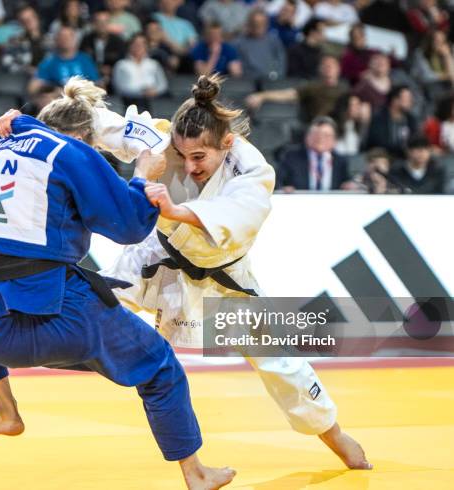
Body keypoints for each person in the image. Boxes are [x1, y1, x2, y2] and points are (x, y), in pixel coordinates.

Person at [0, 77, 236, 490]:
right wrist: (140, 175)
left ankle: (6, 410)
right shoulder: (71, 152)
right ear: (85, 137)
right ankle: (196, 473)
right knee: (159, 367)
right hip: (58, 321)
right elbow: (129, 225)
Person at [93, 75, 371, 470]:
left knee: (279, 362)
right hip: (160, 254)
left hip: (228, 277)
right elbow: (102, 124)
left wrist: (173, 210)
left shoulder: (254, 170)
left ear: (225, 144)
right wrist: (29, 125)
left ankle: (335, 435)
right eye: (182, 155)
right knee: (94, 299)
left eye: (199, 159)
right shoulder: (164, 139)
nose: (189, 167)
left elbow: (234, 217)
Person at [247, 55, 348, 124]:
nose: (329, 67)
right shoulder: (312, 87)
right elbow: (289, 95)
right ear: (320, 69)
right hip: (319, 128)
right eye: (325, 65)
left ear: (338, 68)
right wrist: (262, 95)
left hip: (342, 130)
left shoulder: (345, 89)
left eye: (332, 65)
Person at [277, 116, 352, 190]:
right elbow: (279, 182)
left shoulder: (341, 162)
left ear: (334, 141)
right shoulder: (291, 158)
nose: (320, 138)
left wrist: (350, 186)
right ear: (307, 137)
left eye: (326, 135)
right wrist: (284, 189)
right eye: (316, 134)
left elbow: (348, 183)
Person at [112, 33, 168, 113]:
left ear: (147, 46)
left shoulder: (153, 64)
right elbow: (119, 87)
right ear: (129, 46)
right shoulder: (121, 64)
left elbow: (163, 84)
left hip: (153, 101)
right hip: (129, 102)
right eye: (136, 44)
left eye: (142, 44)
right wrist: (141, 92)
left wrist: (155, 91)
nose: (139, 46)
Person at [33, 26, 99, 88]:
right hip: (59, 97)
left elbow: (97, 82)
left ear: (75, 39)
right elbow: (35, 85)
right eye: (62, 37)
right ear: (56, 40)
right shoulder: (49, 62)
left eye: (69, 36)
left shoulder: (85, 59)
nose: (65, 40)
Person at [234, 8, 286, 82]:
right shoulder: (239, 43)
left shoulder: (274, 41)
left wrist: (276, 77)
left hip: (272, 82)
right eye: (255, 23)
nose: (258, 26)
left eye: (262, 23)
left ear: (267, 24)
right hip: (249, 83)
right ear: (249, 24)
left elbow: (281, 63)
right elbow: (240, 68)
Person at [364, 85, 417, 158]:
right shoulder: (379, 118)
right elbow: (377, 142)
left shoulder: (410, 120)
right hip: (382, 157)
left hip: (404, 159)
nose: (411, 101)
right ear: (395, 100)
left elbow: (415, 140)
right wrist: (402, 149)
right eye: (407, 98)